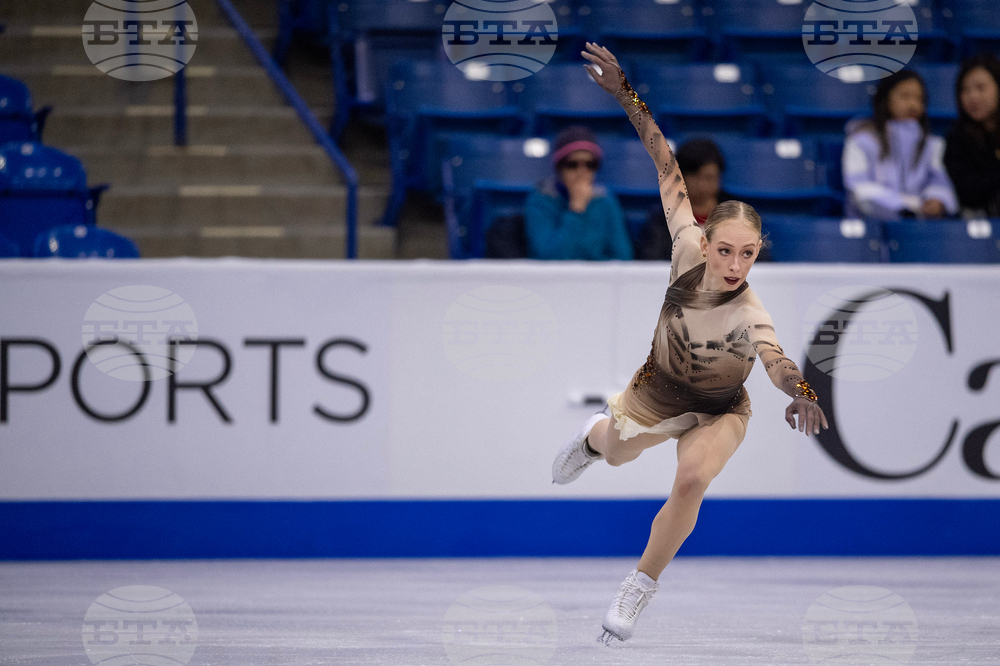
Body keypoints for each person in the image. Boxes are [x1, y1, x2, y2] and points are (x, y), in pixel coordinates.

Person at [551, 43, 828, 646]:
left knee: (690, 481)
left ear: (758, 253)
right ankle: (592, 439)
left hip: (721, 408)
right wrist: (627, 94)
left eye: (747, 253)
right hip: (656, 390)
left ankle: (640, 584)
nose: (733, 263)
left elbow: (777, 363)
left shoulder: (751, 311)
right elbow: (665, 162)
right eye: (725, 249)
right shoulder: (684, 246)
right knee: (617, 450)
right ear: (706, 243)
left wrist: (801, 389)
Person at [842, 70, 959, 220]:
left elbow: (940, 182)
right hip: (871, 229)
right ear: (885, 99)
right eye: (905, 96)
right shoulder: (859, 141)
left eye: (919, 99)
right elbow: (858, 189)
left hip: (918, 229)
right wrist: (907, 204)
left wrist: (937, 200)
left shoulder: (933, 145)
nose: (913, 105)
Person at [524, 125, 634, 260]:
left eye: (590, 164)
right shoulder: (540, 201)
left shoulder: (605, 201)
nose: (582, 172)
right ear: (559, 168)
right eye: (573, 164)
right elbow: (549, 257)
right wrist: (576, 210)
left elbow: (623, 257)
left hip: (597, 280)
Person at [638, 138, 733, 260]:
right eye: (695, 178)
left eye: (709, 178)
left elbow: (757, 262)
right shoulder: (661, 218)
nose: (702, 186)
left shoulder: (739, 215)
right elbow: (651, 260)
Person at [944, 53, 1000, 218]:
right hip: (978, 221)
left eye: (980, 88)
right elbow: (967, 193)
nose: (972, 97)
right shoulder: (956, 139)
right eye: (965, 90)